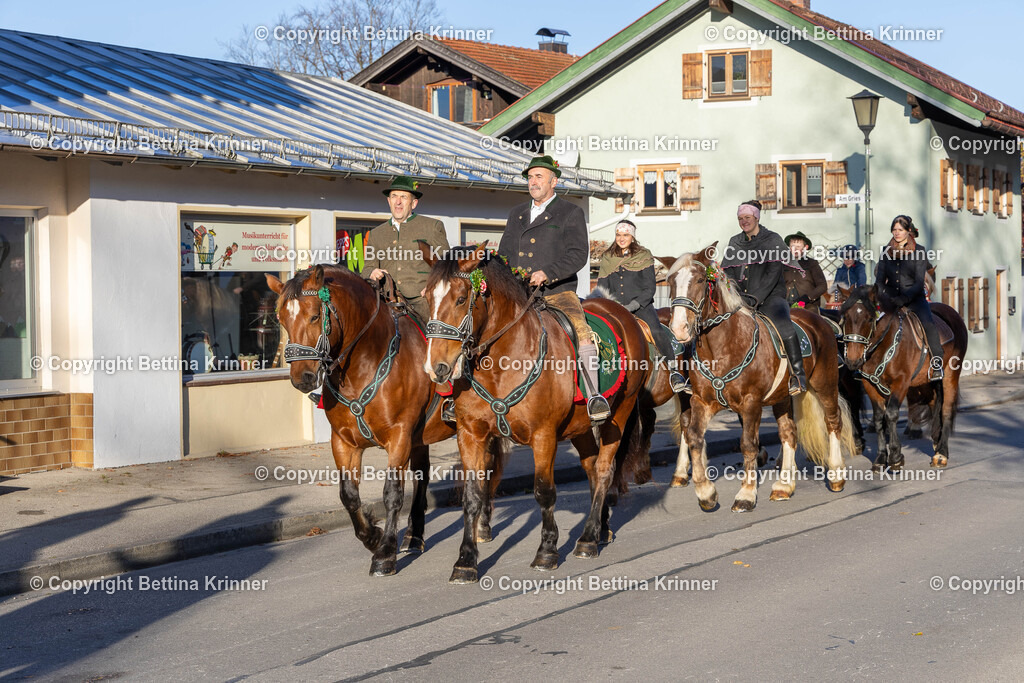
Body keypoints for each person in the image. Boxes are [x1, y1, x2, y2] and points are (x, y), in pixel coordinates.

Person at [499, 155, 610, 422]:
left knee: (582, 331)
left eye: (539, 177)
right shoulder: (517, 213)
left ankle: (594, 394)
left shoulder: (570, 212)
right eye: (530, 177)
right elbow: (504, 253)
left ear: (553, 181)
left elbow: (578, 254)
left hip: (557, 292)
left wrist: (547, 273)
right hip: (520, 293)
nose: (533, 182)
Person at [720, 200, 807, 394]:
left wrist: (755, 298)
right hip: (741, 298)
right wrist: (736, 295)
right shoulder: (735, 242)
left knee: (784, 325)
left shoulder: (773, 239)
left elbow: (773, 274)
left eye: (747, 218)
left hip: (771, 297)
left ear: (757, 217)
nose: (744, 221)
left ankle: (798, 374)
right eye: (740, 218)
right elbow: (728, 272)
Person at [597, 220, 688, 393]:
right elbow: (602, 286)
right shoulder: (607, 257)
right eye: (618, 235)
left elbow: (650, 288)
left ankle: (674, 372)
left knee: (656, 331)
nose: (621, 238)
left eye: (625, 235)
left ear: (632, 236)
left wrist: (634, 305)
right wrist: (611, 304)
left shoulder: (644, 255)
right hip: (614, 309)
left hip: (641, 306)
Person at [363, 176, 451, 322]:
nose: (398, 202)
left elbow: (447, 266)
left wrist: (432, 285)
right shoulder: (376, 234)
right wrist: (372, 272)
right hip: (387, 305)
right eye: (394, 196)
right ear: (388, 201)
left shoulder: (432, 227)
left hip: (422, 305)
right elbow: (366, 269)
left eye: (403, 197)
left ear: (414, 203)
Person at [875, 215, 943, 382]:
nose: (897, 233)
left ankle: (936, 363)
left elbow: (919, 281)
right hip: (890, 300)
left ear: (908, 231)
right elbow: (879, 280)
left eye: (900, 230)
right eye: (894, 230)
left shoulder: (919, 251)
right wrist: (885, 296)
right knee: (870, 324)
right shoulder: (885, 251)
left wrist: (904, 299)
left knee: (929, 325)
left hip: (914, 298)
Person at [783, 231, 827, 314]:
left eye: (798, 246)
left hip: (808, 305)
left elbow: (822, 285)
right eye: (792, 246)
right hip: (785, 303)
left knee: (810, 317)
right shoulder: (783, 263)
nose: (795, 249)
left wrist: (808, 298)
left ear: (805, 247)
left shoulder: (811, 263)